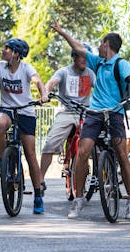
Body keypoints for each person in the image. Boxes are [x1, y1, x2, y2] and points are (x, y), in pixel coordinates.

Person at [51, 23, 130, 220]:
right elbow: (78, 48)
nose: (99, 46)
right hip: (94, 113)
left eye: (101, 43)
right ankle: (79, 199)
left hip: (115, 112)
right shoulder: (98, 62)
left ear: (107, 44)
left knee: (121, 154)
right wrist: (62, 32)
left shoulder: (121, 63)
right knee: (83, 151)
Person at [0, 38, 49, 215]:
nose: (3, 51)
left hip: (26, 111)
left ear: (16, 54)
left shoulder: (26, 69)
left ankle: (37, 195)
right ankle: (0, 161)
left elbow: (38, 81)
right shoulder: (0, 66)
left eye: (7, 49)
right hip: (7, 110)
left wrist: (43, 95)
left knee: (30, 153)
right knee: (0, 122)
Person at [39, 47, 96, 196]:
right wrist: (45, 93)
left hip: (85, 112)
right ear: (73, 57)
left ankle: (100, 176)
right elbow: (52, 82)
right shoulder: (64, 72)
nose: (84, 60)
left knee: (99, 143)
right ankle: (40, 180)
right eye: (80, 56)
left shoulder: (91, 73)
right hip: (66, 112)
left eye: (86, 57)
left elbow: (100, 88)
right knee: (50, 144)